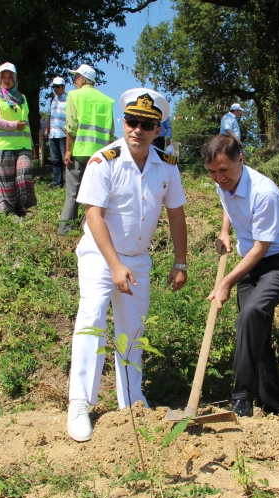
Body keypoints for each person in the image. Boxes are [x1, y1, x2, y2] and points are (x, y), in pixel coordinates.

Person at [66, 89, 188, 442]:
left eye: (146, 124)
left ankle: (131, 401)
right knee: (91, 320)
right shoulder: (104, 161)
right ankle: (79, 403)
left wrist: (181, 262)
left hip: (138, 260)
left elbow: (176, 214)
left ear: (157, 129)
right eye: (132, 121)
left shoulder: (166, 165)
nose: (137, 129)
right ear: (124, 122)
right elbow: (93, 214)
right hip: (99, 255)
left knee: (132, 331)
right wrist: (115, 265)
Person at [202, 134, 279, 417]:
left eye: (224, 170)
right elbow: (227, 203)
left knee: (251, 313)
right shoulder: (224, 182)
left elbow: (261, 248)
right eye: (212, 172)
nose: (219, 178)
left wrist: (225, 282)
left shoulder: (264, 192)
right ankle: (275, 408)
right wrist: (225, 230)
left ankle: (242, 398)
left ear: (241, 160)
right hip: (250, 264)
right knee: (254, 332)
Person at [58, 64, 114, 236]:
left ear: (82, 79)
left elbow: (71, 127)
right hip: (100, 155)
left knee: (72, 195)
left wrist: (68, 151)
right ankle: (88, 232)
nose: (75, 81)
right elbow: (111, 132)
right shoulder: (107, 100)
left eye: (76, 77)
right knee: (95, 196)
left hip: (79, 152)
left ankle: (65, 232)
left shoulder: (74, 95)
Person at [0, 62, 37, 216]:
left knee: (24, 174)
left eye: (10, 77)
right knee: (5, 180)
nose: (7, 80)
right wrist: (13, 125)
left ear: (15, 78)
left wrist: (32, 144)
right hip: (3, 145)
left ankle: (21, 208)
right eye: (3, 77)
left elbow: (26, 122)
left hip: (23, 145)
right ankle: (6, 213)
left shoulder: (22, 98)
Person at [44, 76, 67, 188]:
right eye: (54, 86)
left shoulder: (69, 100)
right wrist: (46, 129)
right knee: (55, 160)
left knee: (66, 160)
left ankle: (68, 183)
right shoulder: (53, 100)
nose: (55, 89)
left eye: (57, 86)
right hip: (53, 134)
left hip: (64, 134)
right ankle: (58, 182)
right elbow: (50, 116)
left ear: (63, 87)